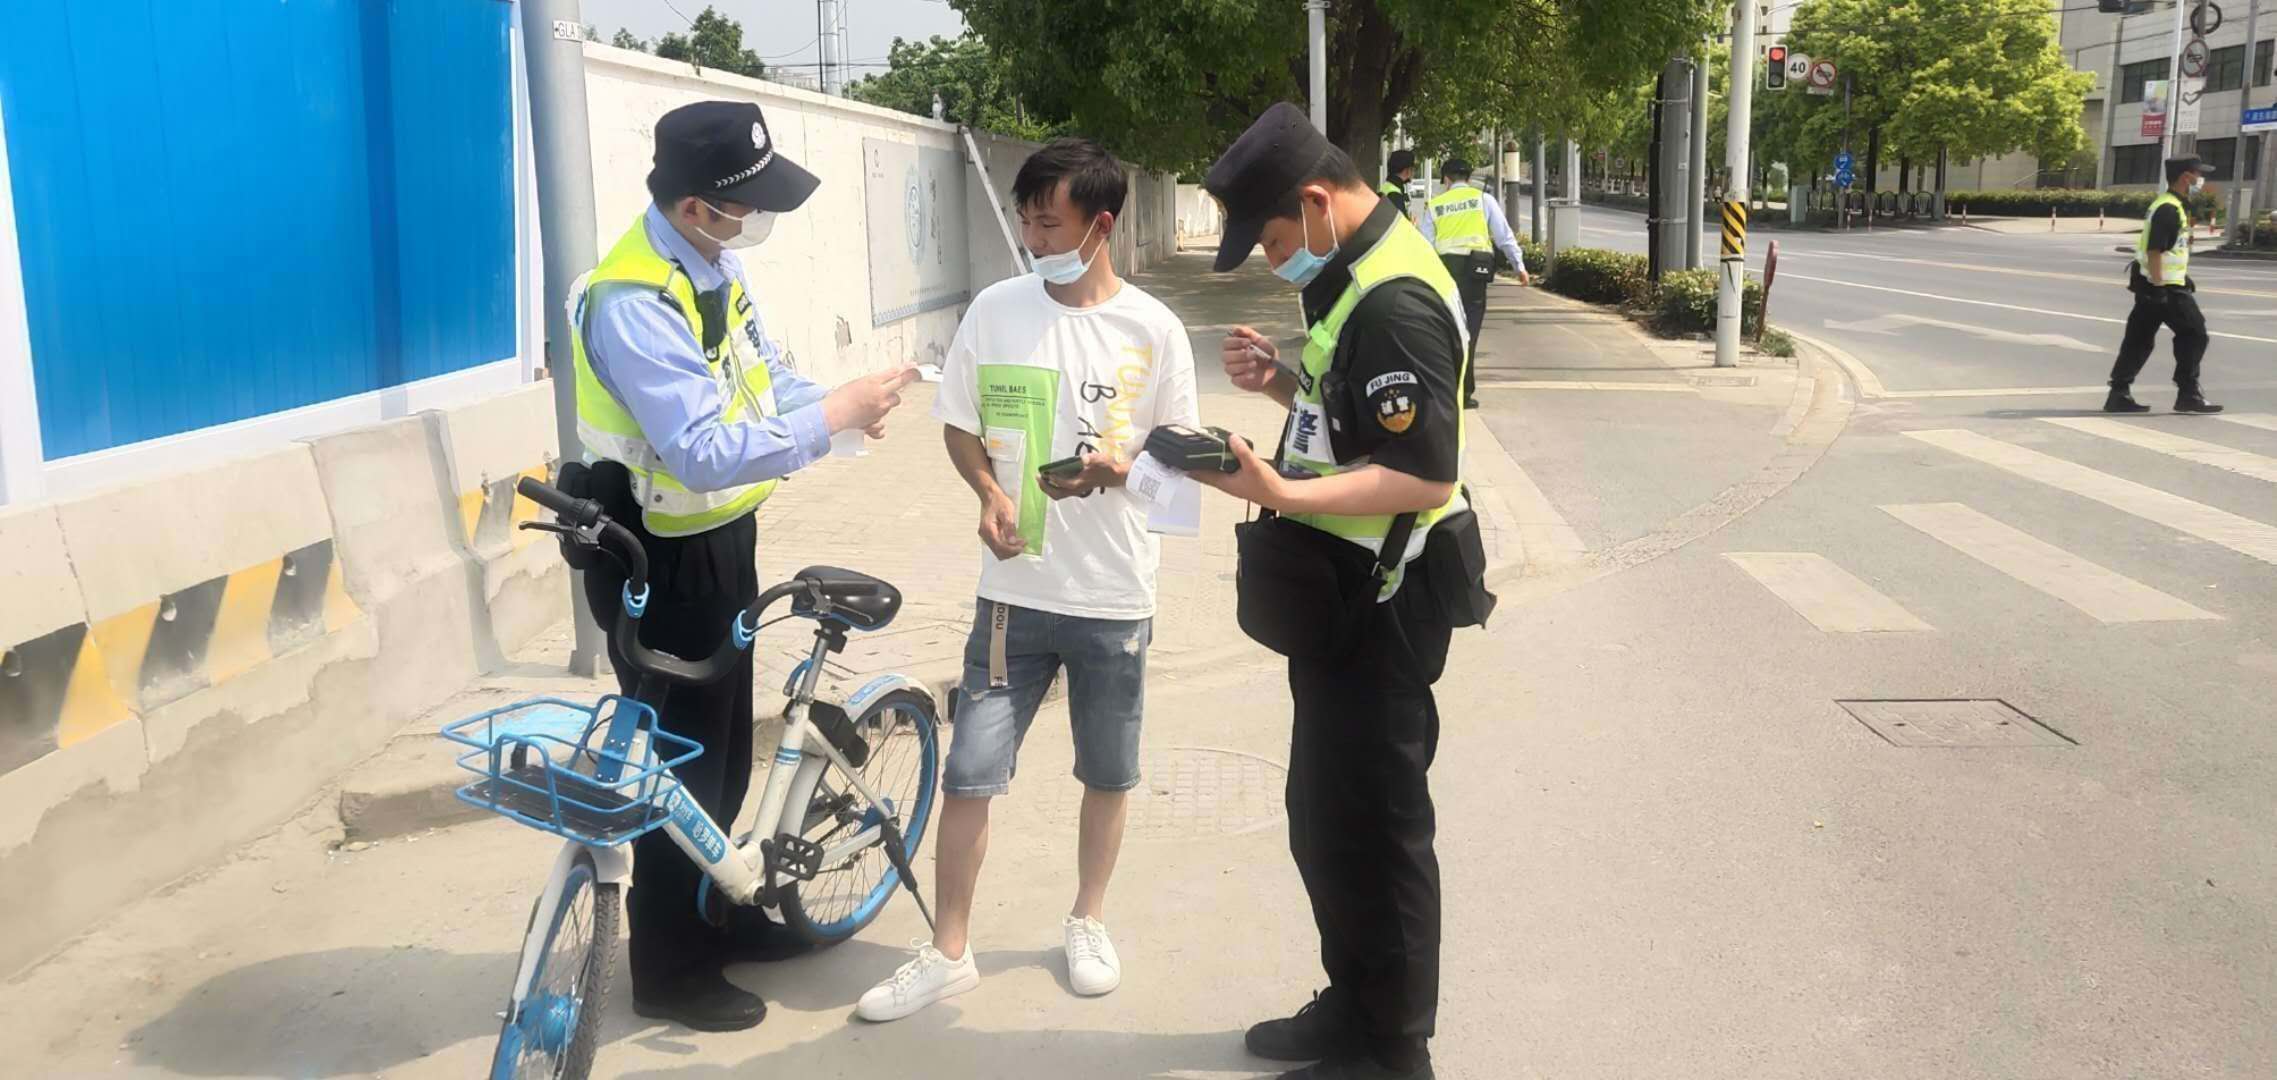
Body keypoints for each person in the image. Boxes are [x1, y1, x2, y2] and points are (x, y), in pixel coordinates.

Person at [571, 99, 916, 1032]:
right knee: (678, 766)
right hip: (658, 556)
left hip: (719, 540)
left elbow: (763, 380)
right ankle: (669, 967)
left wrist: (841, 405)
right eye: (744, 204)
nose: (754, 219)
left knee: (723, 755)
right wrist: (831, 418)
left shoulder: (711, 266)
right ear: (694, 206)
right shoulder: (636, 302)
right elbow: (698, 450)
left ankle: (720, 914)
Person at [854, 137, 1201, 1022]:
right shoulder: (996, 311)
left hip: (1114, 594)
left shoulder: (1153, 330)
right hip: (1013, 594)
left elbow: (1184, 466)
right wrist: (987, 493)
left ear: (1100, 225)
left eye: (1048, 223)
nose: (1032, 237)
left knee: (1108, 769)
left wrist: (1118, 471)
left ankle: (1087, 919)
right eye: (1025, 220)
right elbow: (959, 424)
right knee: (969, 770)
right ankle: (948, 951)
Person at [1198, 102, 1469, 1080]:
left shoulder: (1394, 299)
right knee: (1326, 820)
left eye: (1273, 239)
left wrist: (1277, 491)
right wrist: (1281, 382)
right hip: (1343, 597)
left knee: (1376, 831)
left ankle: (1392, 1050)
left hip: (1383, 602)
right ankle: (1353, 1007)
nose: (1274, 260)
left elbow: (1424, 473)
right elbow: (1355, 416)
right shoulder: (1352, 275)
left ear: (1315, 201)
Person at [2105, 155, 2223, 415]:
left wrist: (2180, 276)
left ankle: (2118, 393)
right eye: (2198, 174)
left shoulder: (2169, 204)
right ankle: (2188, 393)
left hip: (2153, 283)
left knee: (2139, 339)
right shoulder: (2169, 208)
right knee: (2194, 334)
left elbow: (2168, 249)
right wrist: (2160, 287)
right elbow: (2154, 250)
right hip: (2164, 287)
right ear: (2186, 177)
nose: (2201, 180)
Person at [1420, 158, 1531, 410]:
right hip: (1475, 274)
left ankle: (1444, 389)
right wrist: (1519, 267)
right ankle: (1465, 392)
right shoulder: (1483, 200)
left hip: (1445, 274)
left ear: (1446, 179)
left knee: (1445, 331)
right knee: (1469, 333)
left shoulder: (1435, 205)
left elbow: (1425, 246)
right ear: (1468, 179)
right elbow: (1504, 236)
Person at [1379, 149, 1417, 219]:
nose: (1414, 172)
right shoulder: (1394, 194)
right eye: (1413, 168)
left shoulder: (1388, 187)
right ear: (1407, 170)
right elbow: (1399, 222)